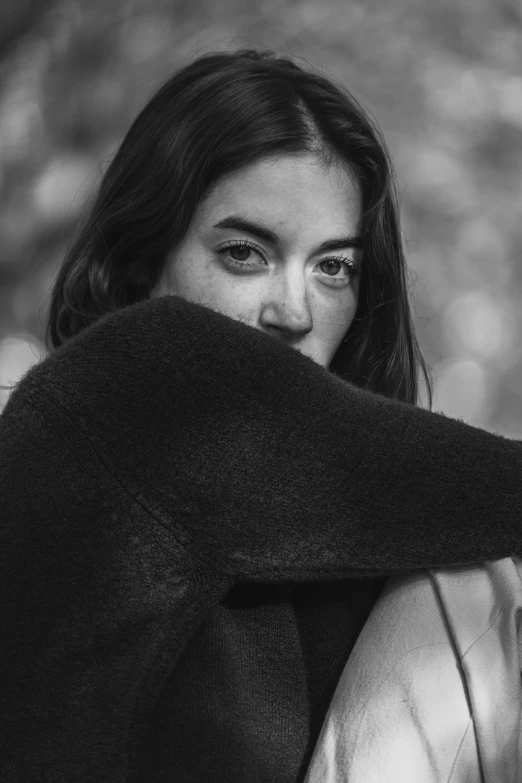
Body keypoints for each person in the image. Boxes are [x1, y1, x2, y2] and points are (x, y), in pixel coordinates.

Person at [0, 47, 520, 783]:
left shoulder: (335, 540)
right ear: (141, 258)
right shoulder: (117, 386)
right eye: (245, 253)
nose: (295, 310)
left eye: (332, 266)